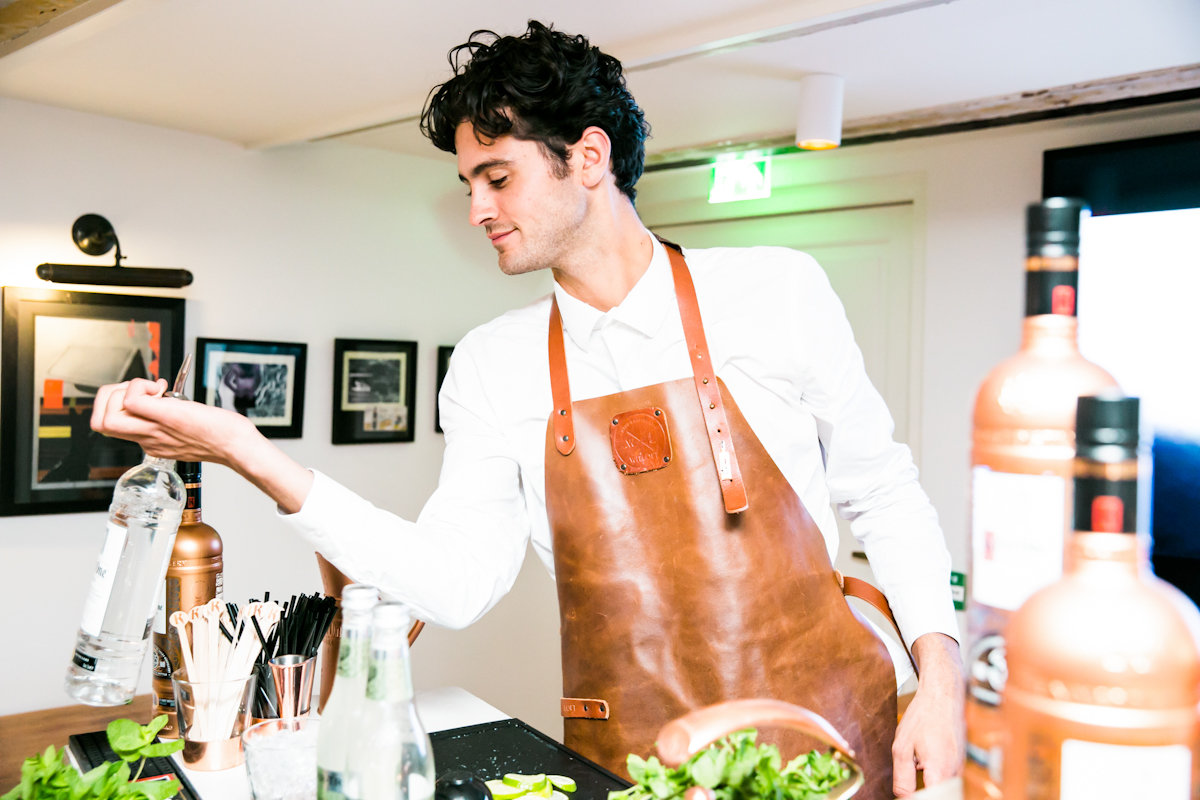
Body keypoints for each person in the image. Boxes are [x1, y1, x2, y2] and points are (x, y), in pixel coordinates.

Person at [91, 21, 964, 798]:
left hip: (828, 750)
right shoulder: (493, 364)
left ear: (588, 158)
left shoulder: (776, 290)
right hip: (629, 764)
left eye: (496, 177)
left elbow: (883, 494)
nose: (476, 208)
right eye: (470, 182)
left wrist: (942, 682)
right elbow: (452, 584)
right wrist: (253, 454)